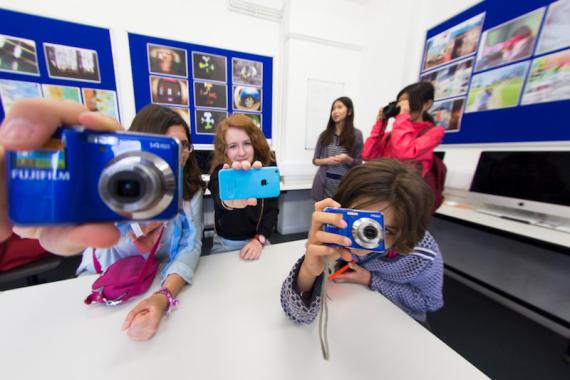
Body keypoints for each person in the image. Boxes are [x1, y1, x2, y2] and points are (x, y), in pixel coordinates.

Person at [75, 104, 205, 341]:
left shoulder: (190, 189)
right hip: (107, 285)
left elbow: (191, 245)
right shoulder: (118, 183)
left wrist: (163, 296)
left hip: (157, 279)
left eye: (184, 144)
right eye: (168, 144)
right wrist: (138, 228)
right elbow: (109, 248)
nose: (180, 152)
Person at [281, 159, 444, 325]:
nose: (364, 237)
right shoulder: (341, 234)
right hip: (358, 313)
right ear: (342, 208)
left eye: (386, 230)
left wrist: (371, 280)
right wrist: (308, 270)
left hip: (402, 323)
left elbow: (430, 302)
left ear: (406, 230)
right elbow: (297, 314)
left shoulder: (423, 254)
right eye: (360, 221)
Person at [207, 114, 279, 259]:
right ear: (225, 150)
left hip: (259, 241)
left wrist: (259, 240)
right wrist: (229, 201)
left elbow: (272, 211)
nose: (241, 152)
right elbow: (218, 193)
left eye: (247, 143)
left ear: (255, 144)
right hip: (226, 244)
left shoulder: (264, 172)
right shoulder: (220, 172)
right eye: (233, 146)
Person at [362, 82, 444, 178]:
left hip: (407, 189)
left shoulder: (434, 132)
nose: (403, 106)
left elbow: (403, 154)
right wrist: (380, 124)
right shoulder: (391, 135)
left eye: (408, 102)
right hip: (383, 185)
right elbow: (367, 155)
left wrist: (403, 116)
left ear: (426, 104)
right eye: (400, 102)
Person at [311, 96, 363, 201]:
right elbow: (315, 160)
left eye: (339, 107)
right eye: (333, 109)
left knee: (341, 216)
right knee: (323, 216)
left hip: (345, 185)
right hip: (324, 184)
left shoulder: (356, 134)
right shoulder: (324, 135)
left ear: (349, 112)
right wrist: (327, 160)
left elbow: (359, 163)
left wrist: (346, 158)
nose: (335, 111)